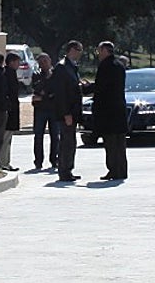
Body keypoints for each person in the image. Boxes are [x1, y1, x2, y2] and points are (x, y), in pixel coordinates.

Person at [91, 40, 128, 181]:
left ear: (106, 51)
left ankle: (113, 170)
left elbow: (101, 86)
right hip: (119, 109)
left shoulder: (106, 66)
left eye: (100, 51)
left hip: (108, 111)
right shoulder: (119, 65)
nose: (98, 54)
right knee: (120, 143)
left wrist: (86, 88)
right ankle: (121, 170)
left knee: (111, 143)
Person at [49, 40, 83, 182]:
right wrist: (66, 113)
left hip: (73, 111)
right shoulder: (62, 68)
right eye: (78, 50)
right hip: (66, 113)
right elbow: (60, 93)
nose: (80, 53)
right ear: (71, 50)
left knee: (71, 142)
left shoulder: (72, 67)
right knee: (66, 142)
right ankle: (64, 171)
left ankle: (68, 169)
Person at [28, 52, 56, 171]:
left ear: (50, 60)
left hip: (54, 109)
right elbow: (37, 88)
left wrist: (44, 96)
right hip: (40, 110)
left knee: (55, 136)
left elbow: (55, 91)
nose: (43, 64)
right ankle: (38, 161)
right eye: (41, 62)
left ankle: (55, 160)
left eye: (45, 61)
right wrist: (46, 82)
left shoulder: (56, 74)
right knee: (38, 136)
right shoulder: (36, 75)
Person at [0, 50, 23, 171]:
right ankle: (3, 162)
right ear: (11, 62)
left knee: (8, 138)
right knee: (6, 138)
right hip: (10, 111)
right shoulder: (8, 74)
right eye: (17, 62)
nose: (19, 64)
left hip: (11, 110)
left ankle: (6, 161)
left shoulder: (9, 73)